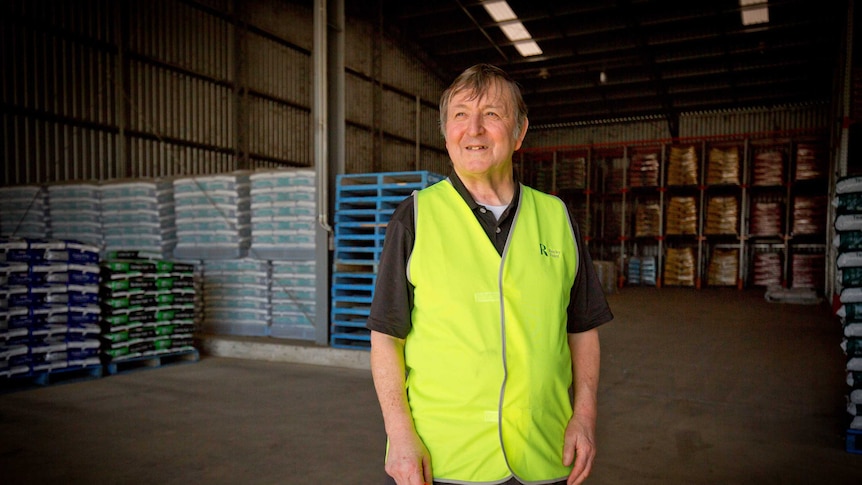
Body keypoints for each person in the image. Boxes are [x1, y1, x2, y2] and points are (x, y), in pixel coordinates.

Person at [367, 63, 613, 485]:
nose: (474, 129)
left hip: (544, 450)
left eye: (492, 114)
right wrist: (400, 433)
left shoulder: (556, 217)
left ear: (519, 133)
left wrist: (585, 415)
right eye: (460, 115)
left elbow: (583, 327)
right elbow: (386, 337)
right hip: (445, 460)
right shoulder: (415, 218)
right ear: (446, 134)